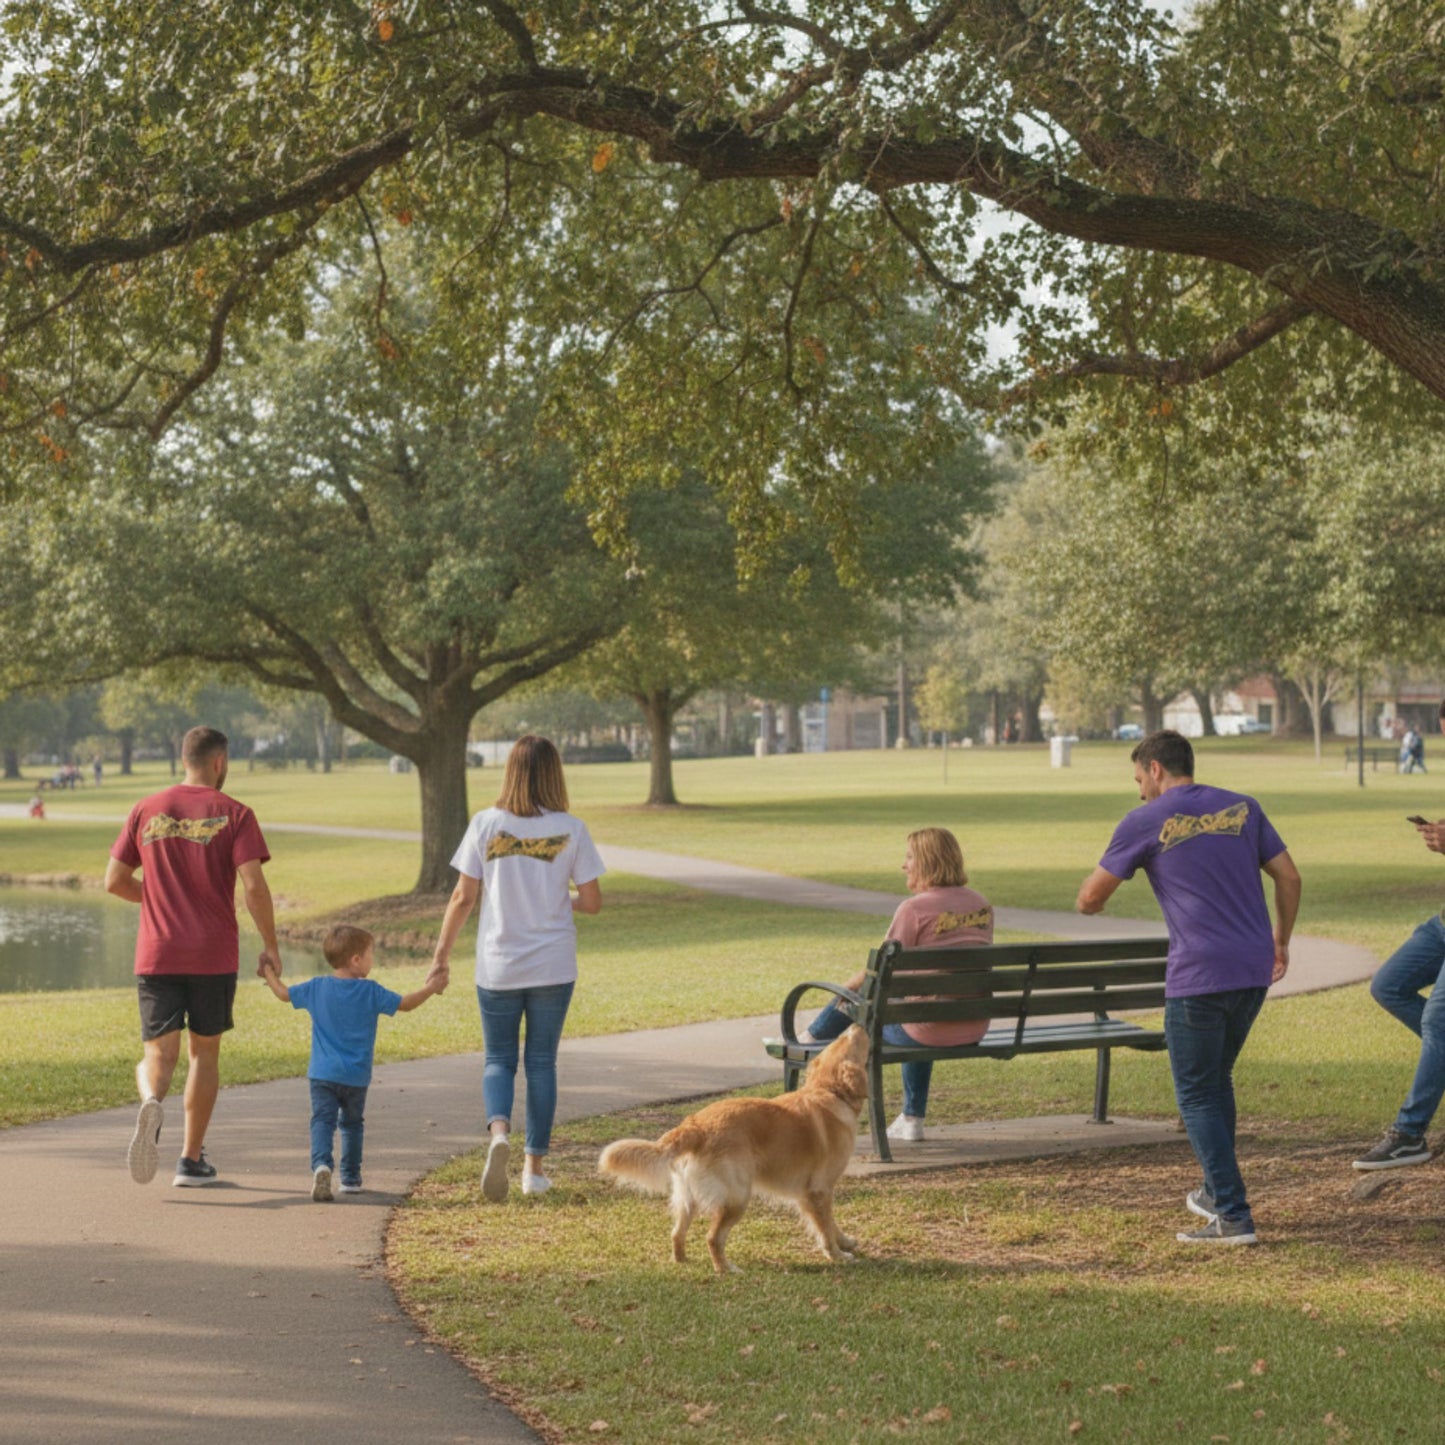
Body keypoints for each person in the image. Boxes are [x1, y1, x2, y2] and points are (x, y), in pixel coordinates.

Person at [1076, 730, 1300, 1246]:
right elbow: (1289, 878)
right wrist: (1280, 941)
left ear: (1156, 769)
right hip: (1251, 972)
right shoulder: (1243, 807)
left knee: (1196, 1092)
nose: (1138, 792)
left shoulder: (1144, 821)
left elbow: (1090, 899)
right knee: (1216, 1082)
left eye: (1138, 779)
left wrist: (1111, 884)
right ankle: (1212, 1188)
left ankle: (1232, 1213)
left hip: (1198, 976)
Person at [429, 735, 605, 1202]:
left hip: (499, 966)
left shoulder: (486, 823)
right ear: (554, 773)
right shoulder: (572, 828)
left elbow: (463, 897)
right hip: (553, 966)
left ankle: (499, 1134)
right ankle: (534, 1171)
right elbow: (592, 903)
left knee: (498, 1060)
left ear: (510, 771)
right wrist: (554, 898)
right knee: (542, 1062)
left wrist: (441, 955)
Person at [105, 725, 282, 1187]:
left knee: (158, 1055)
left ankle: (150, 1102)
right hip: (212, 954)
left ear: (184, 758)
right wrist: (271, 945)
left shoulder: (146, 809)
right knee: (203, 1054)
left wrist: (160, 898)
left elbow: (114, 881)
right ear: (220, 762)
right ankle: (189, 1160)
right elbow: (253, 886)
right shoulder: (235, 813)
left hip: (157, 953)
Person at [794, 827, 993, 1142]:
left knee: (876, 1003)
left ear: (928, 861)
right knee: (918, 1012)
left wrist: (841, 991)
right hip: (973, 1025)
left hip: (926, 1029)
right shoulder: (981, 905)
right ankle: (912, 1119)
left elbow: (876, 973)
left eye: (910, 857)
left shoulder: (913, 909)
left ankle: (806, 1040)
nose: (905, 865)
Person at [258, 923, 444, 1200]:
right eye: (370, 954)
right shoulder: (370, 991)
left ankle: (321, 1165)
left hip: (322, 1074)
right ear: (356, 960)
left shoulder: (317, 987)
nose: (373, 960)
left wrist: (269, 973)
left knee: (322, 1120)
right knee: (352, 1125)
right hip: (356, 1077)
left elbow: (284, 994)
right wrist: (431, 987)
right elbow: (405, 1004)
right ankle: (351, 1178)